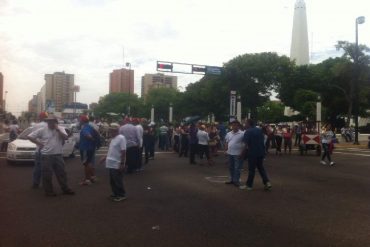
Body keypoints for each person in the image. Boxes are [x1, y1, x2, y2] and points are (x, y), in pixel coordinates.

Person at [28, 115, 75, 196]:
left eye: (52, 121)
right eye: (49, 121)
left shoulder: (61, 129)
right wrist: (39, 143)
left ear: (55, 122)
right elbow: (30, 136)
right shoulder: (42, 130)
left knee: (62, 173)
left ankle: (65, 189)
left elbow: (65, 137)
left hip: (58, 155)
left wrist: (58, 130)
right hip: (46, 155)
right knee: (47, 174)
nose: (50, 123)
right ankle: (49, 192)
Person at [240, 119, 272, 191]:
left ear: (248, 124)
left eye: (245, 123)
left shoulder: (248, 131)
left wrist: (242, 154)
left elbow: (246, 145)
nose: (244, 125)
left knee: (251, 170)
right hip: (261, 152)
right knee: (261, 168)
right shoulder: (259, 130)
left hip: (252, 153)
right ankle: (267, 182)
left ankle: (249, 185)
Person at [100, 126, 127, 202]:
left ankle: (121, 194)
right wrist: (105, 157)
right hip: (111, 162)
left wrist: (122, 163)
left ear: (116, 131)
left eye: (111, 131)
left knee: (118, 179)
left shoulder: (121, 138)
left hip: (116, 162)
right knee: (112, 180)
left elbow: (123, 151)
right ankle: (115, 193)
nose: (110, 133)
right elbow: (111, 150)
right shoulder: (113, 139)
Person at [79, 115, 101, 185]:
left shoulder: (85, 127)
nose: (79, 121)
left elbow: (87, 135)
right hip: (91, 148)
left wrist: (92, 139)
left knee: (86, 164)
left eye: (80, 120)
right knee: (89, 163)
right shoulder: (91, 127)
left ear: (82, 121)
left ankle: (87, 180)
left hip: (85, 148)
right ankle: (93, 177)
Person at [224, 119, 245, 187]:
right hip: (230, 153)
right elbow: (226, 142)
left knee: (237, 168)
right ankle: (232, 179)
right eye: (233, 125)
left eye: (235, 125)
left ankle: (236, 180)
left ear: (238, 126)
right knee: (231, 167)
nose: (234, 126)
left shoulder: (242, 133)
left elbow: (245, 144)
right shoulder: (228, 133)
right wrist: (226, 150)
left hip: (238, 153)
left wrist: (242, 153)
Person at [31, 112, 49, 189]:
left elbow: (32, 136)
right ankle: (46, 184)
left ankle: (36, 183)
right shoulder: (49, 125)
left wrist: (39, 143)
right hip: (48, 150)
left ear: (40, 117)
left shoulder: (36, 125)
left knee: (37, 167)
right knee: (46, 168)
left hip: (38, 149)